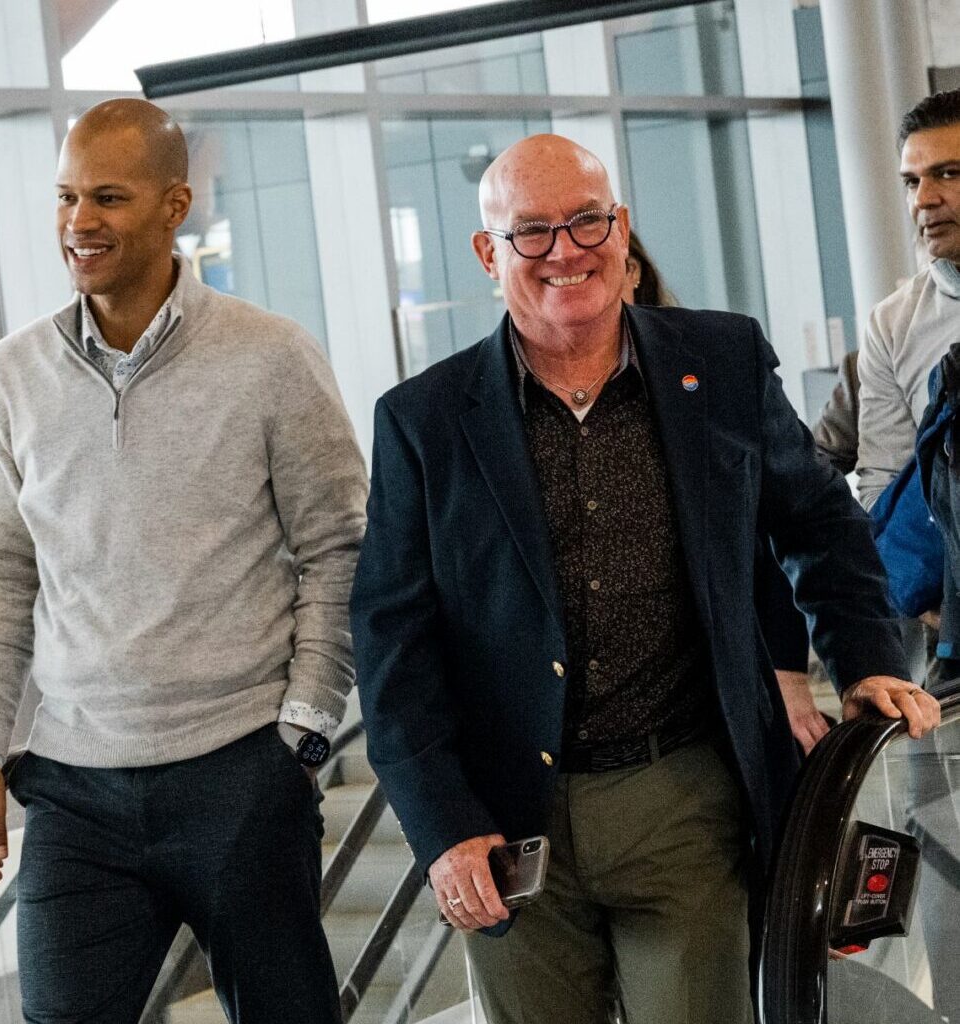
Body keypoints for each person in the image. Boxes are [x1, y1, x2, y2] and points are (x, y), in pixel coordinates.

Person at [350, 133, 940, 1024]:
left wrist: (863, 660)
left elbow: (818, 525)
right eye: (533, 232)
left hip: (683, 800)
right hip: (505, 822)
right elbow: (393, 643)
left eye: (586, 221)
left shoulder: (724, 361)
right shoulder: (422, 421)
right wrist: (443, 826)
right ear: (488, 252)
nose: (565, 252)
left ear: (620, 228)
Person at [0, 98, 366, 1024]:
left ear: (175, 206)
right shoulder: (12, 375)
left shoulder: (271, 358)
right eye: (64, 198)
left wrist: (301, 730)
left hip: (239, 773)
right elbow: (3, 570)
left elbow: (338, 548)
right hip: (73, 789)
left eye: (107, 197)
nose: (77, 223)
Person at [624, 233, 828, 754]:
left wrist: (787, 673)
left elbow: (779, 536)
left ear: (635, 274)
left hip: (737, 672)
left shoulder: (712, 369)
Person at [854, 88, 960, 514]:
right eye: (911, 182)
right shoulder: (893, 324)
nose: (923, 199)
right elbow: (884, 486)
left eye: (948, 174)